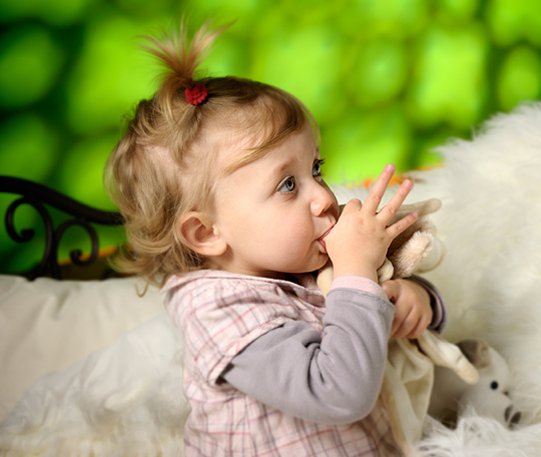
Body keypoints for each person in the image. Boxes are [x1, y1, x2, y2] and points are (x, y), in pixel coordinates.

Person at [105, 21, 447, 456]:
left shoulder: (294, 258)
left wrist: (414, 299)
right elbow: (338, 392)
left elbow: (371, 313)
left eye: (316, 169)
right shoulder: (219, 312)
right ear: (207, 233)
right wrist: (357, 275)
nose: (324, 197)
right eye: (288, 185)